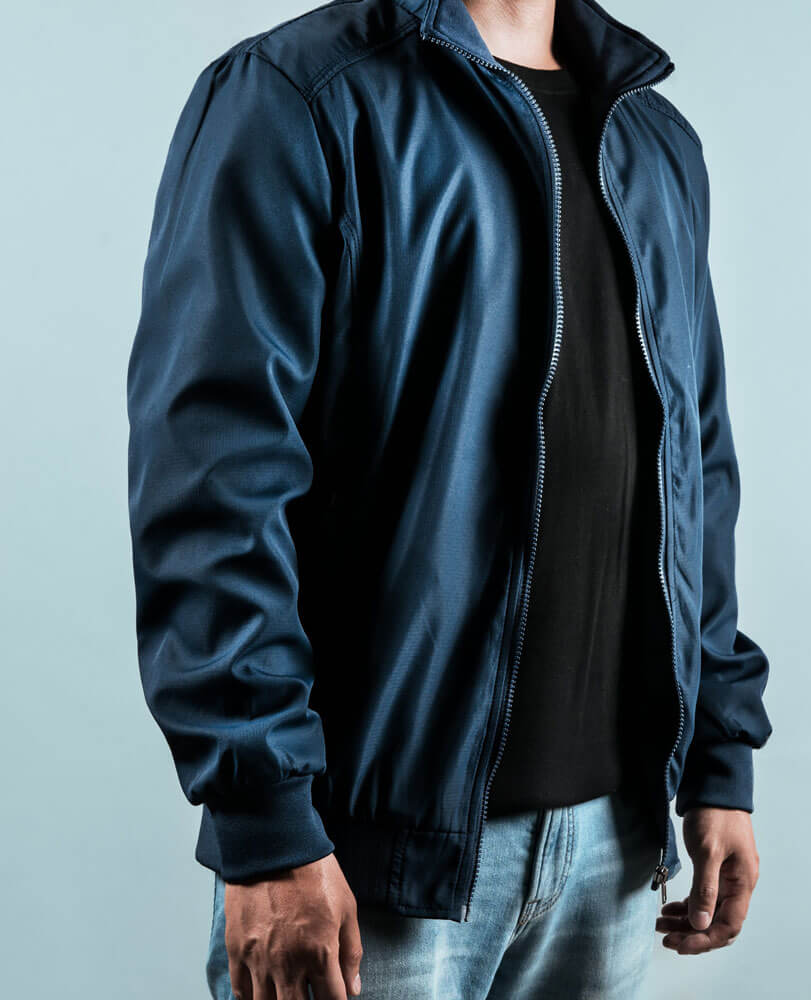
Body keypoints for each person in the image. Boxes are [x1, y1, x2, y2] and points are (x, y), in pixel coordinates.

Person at [125, 0, 773, 996]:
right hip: (367, 856)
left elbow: (695, 461)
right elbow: (213, 477)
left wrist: (718, 750)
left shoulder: (652, 137)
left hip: (613, 843)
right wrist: (267, 821)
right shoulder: (300, 97)